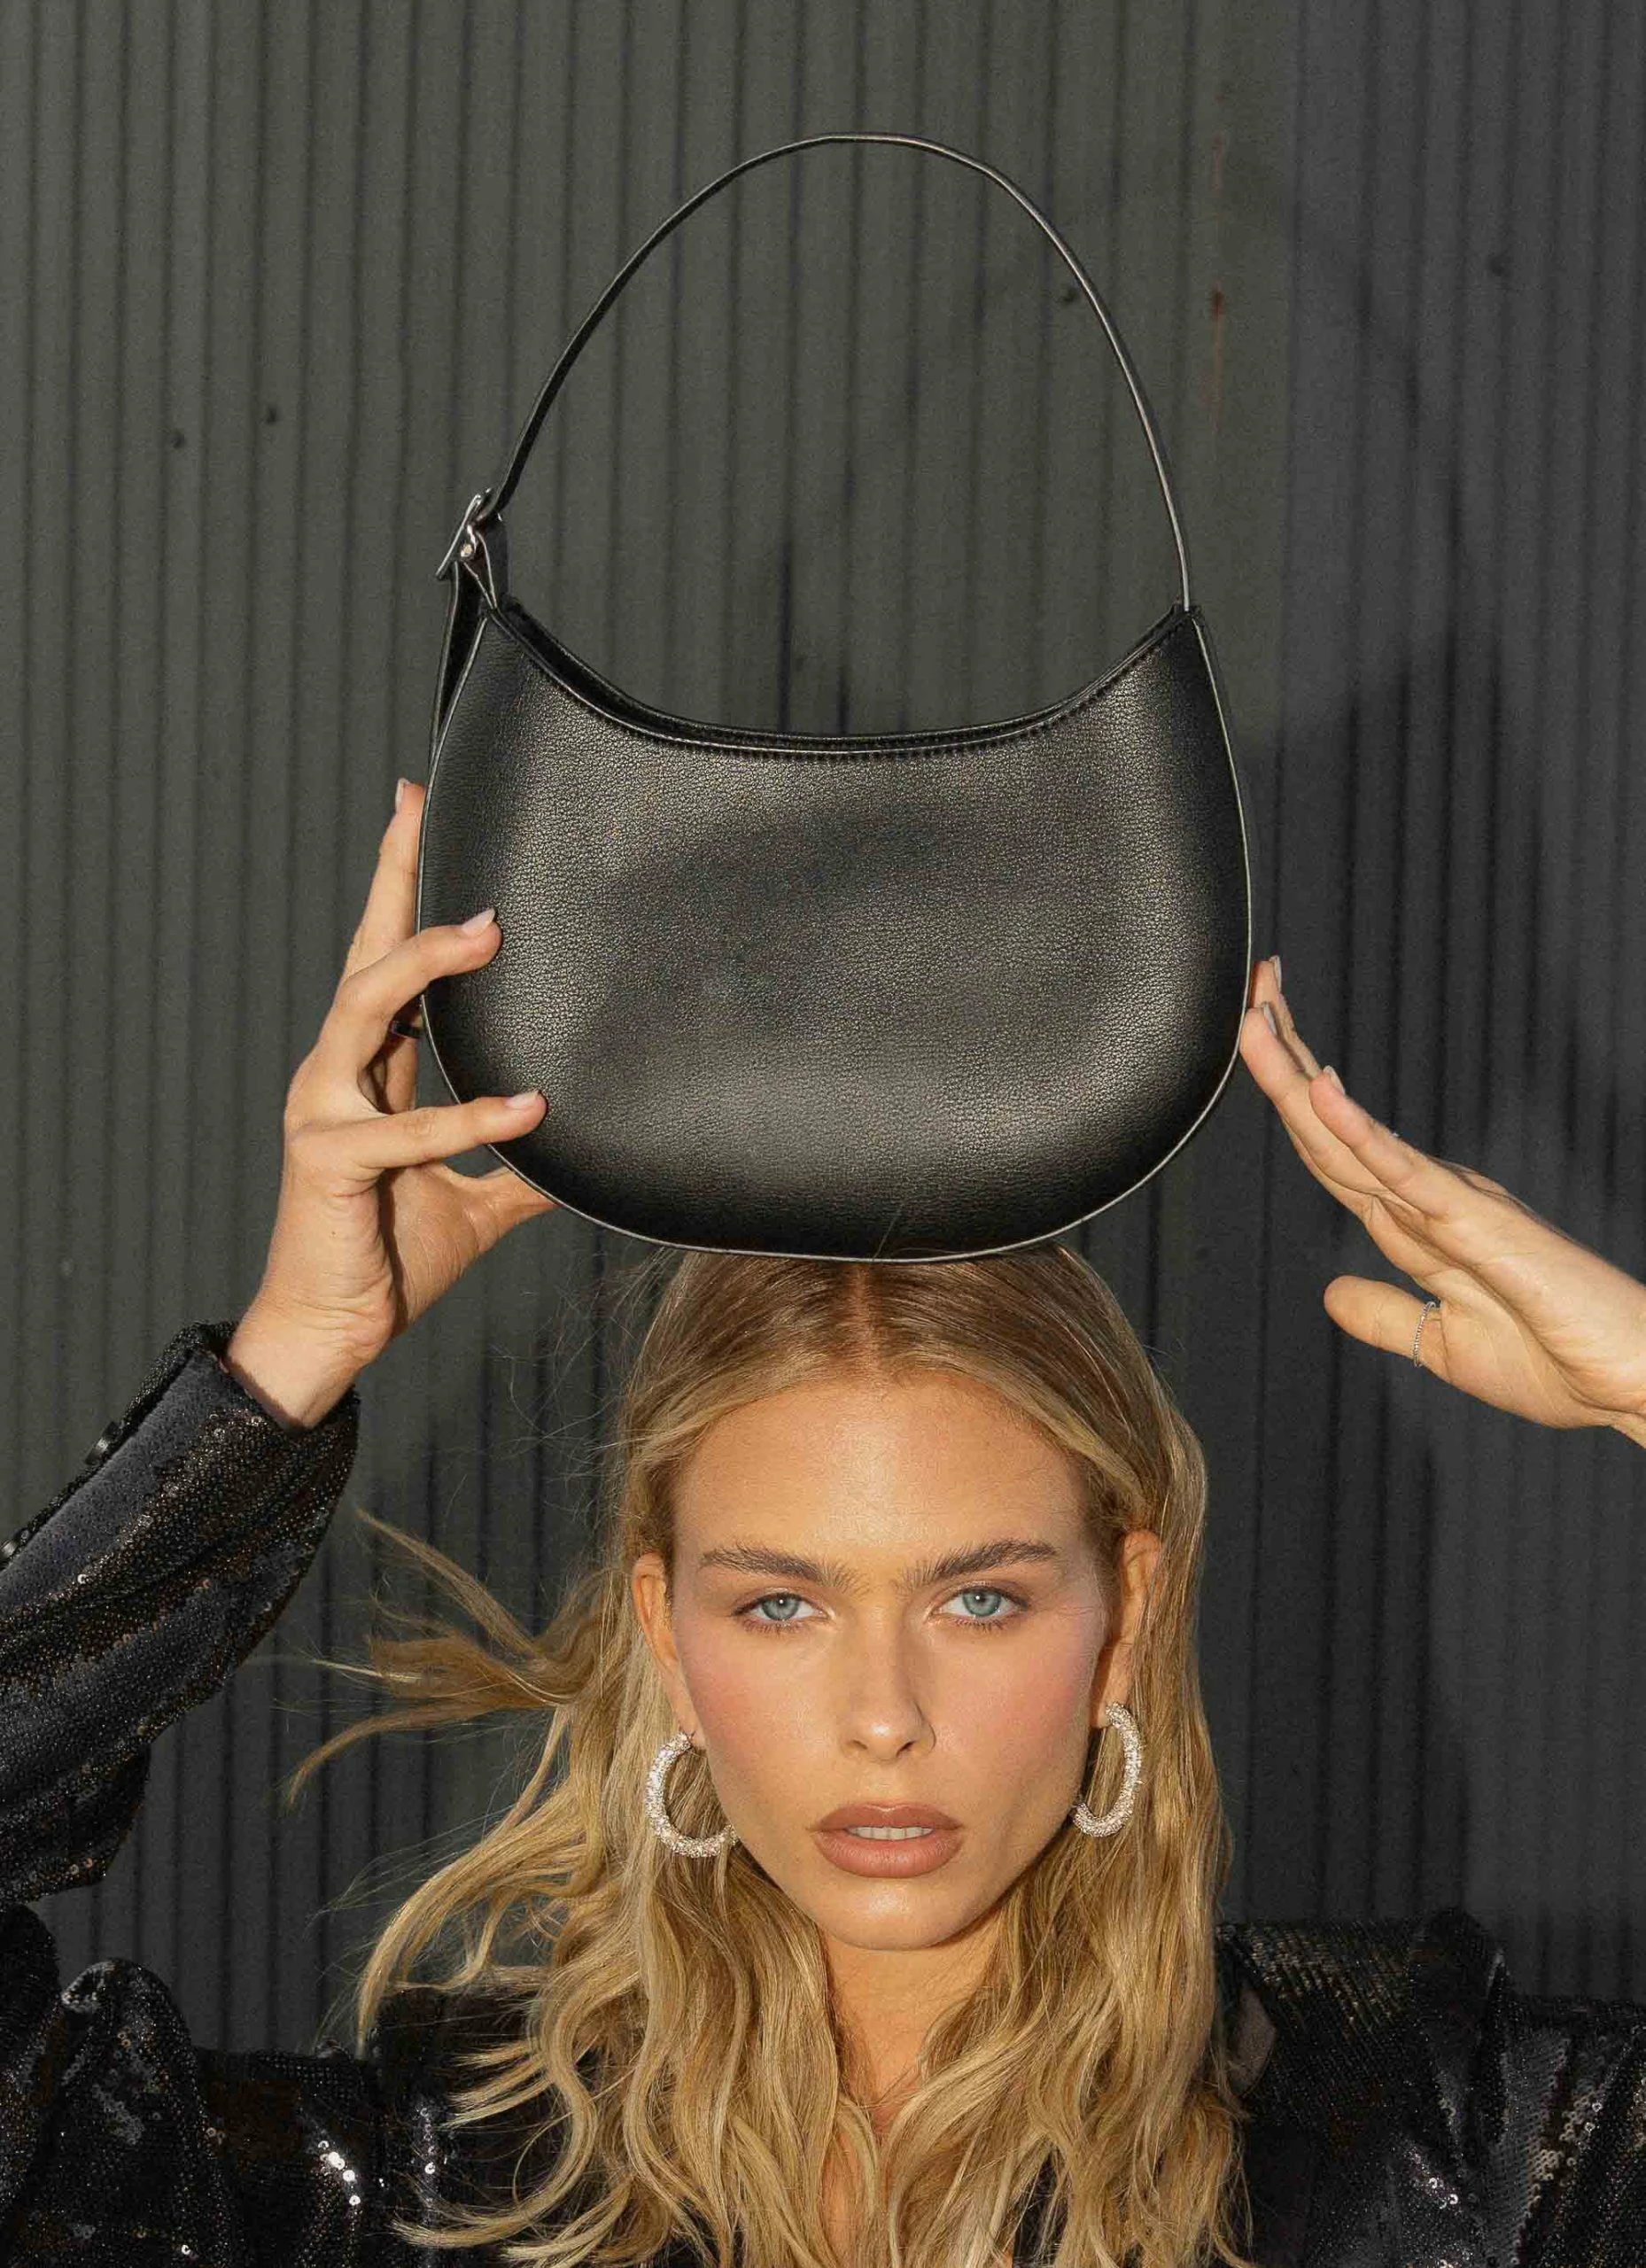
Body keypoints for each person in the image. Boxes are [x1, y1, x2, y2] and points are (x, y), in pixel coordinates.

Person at [4, 778, 1644, 2268]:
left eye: (978, 1599)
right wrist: (282, 1369)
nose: (882, 1718)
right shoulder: (459, 2182)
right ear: (664, 1634)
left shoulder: (1416, 2144)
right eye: (779, 1604)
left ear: (1124, 1617)